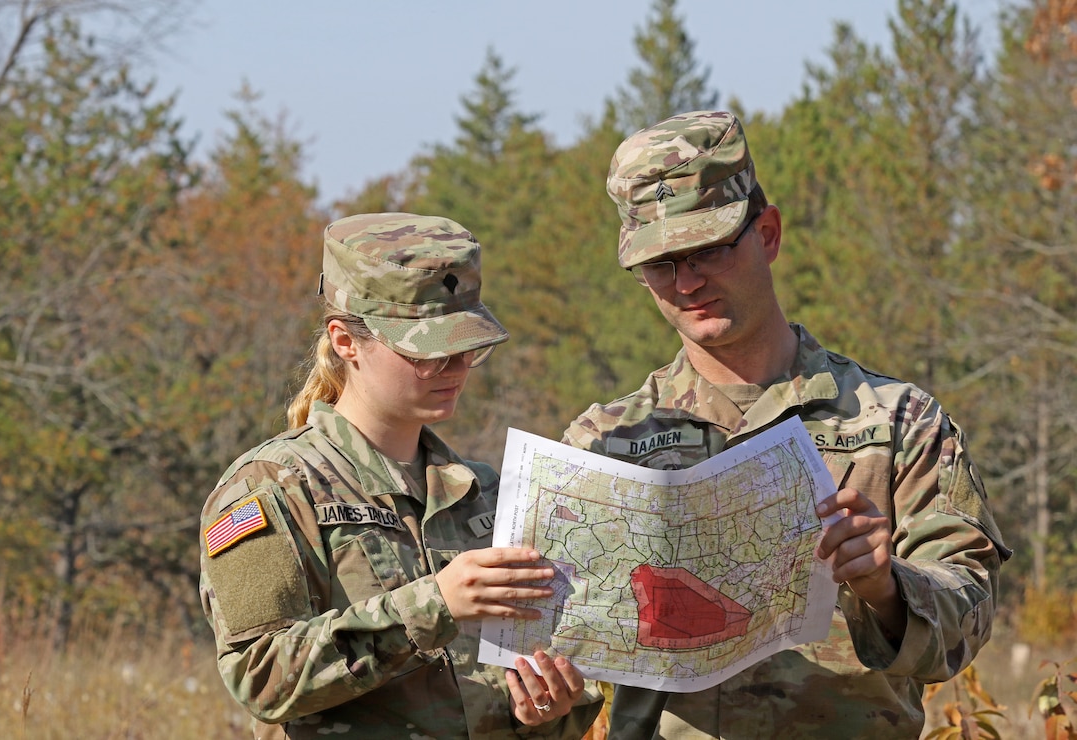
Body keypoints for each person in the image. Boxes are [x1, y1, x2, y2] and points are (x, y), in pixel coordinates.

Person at [561, 111, 1010, 739]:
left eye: (709, 250)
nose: (687, 282)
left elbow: (970, 617)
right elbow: (562, 664)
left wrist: (887, 588)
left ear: (766, 234)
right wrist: (541, 690)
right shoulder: (603, 447)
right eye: (661, 264)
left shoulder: (898, 421)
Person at [198, 213, 603, 739]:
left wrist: (542, 713)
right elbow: (261, 676)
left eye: (466, 347)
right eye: (426, 352)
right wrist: (435, 604)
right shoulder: (270, 488)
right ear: (345, 341)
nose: (454, 367)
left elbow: (510, 686)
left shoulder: (489, 493)